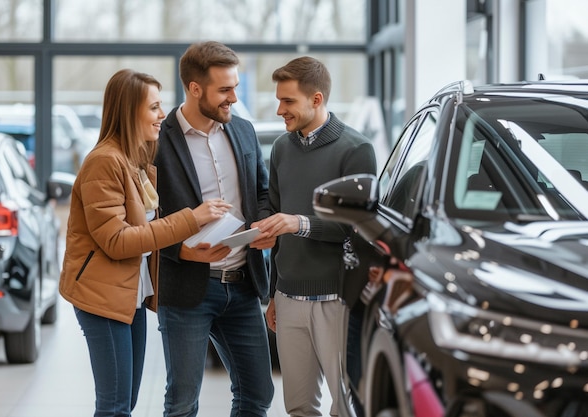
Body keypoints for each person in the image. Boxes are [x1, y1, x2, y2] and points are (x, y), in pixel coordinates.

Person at [59, 68, 231, 417]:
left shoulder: (134, 161)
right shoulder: (104, 162)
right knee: (115, 407)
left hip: (129, 295)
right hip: (101, 298)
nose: (162, 115)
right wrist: (191, 219)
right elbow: (117, 240)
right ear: (128, 111)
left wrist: (187, 245)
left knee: (125, 402)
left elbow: (144, 230)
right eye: (154, 108)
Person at [251, 56, 377, 416]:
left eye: (288, 101)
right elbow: (277, 224)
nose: (279, 110)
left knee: (345, 406)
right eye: (279, 100)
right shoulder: (280, 149)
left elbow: (360, 229)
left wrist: (300, 223)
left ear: (316, 99)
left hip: (337, 300)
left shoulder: (356, 150)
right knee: (299, 406)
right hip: (289, 299)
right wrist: (275, 292)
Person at [154, 41, 275, 417]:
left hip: (242, 285)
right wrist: (179, 250)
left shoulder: (242, 130)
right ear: (194, 88)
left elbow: (262, 191)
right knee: (182, 403)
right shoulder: (159, 138)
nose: (234, 98)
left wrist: (264, 226)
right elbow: (143, 216)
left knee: (258, 394)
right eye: (224, 90)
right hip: (188, 287)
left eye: (235, 87)